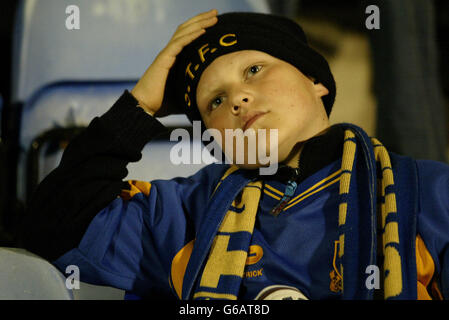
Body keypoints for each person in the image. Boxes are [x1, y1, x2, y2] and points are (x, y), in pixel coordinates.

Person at [18, 9, 449, 300]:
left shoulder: (428, 192)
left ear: (316, 80)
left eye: (255, 70)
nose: (239, 98)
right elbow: (54, 226)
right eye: (215, 103)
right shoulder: (184, 212)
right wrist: (140, 108)